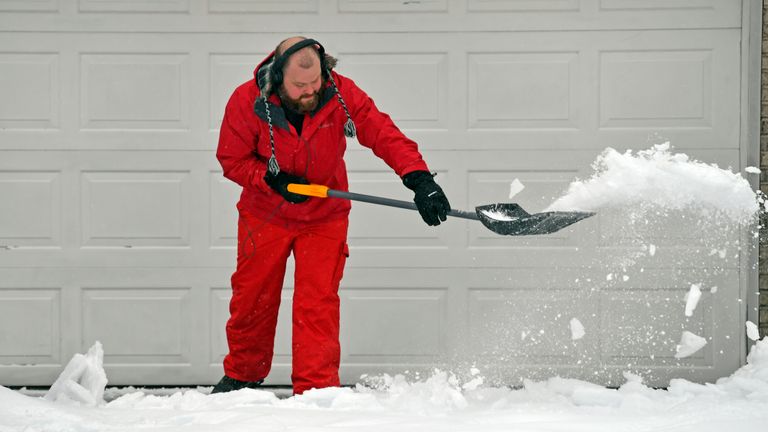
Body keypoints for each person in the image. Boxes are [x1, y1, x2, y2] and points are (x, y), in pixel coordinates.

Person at [213, 36, 451, 395]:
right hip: (265, 214)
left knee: (317, 304)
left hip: (325, 216)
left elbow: (381, 131)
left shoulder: (339, 92)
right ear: (278, 78)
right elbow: (231, 159)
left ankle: (316, 390)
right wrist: (270, 180)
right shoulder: (247, 100)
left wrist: (419, 178)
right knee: (253, 298)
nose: (310, 93)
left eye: (315, 83)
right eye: (299, 86)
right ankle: (243, 376)